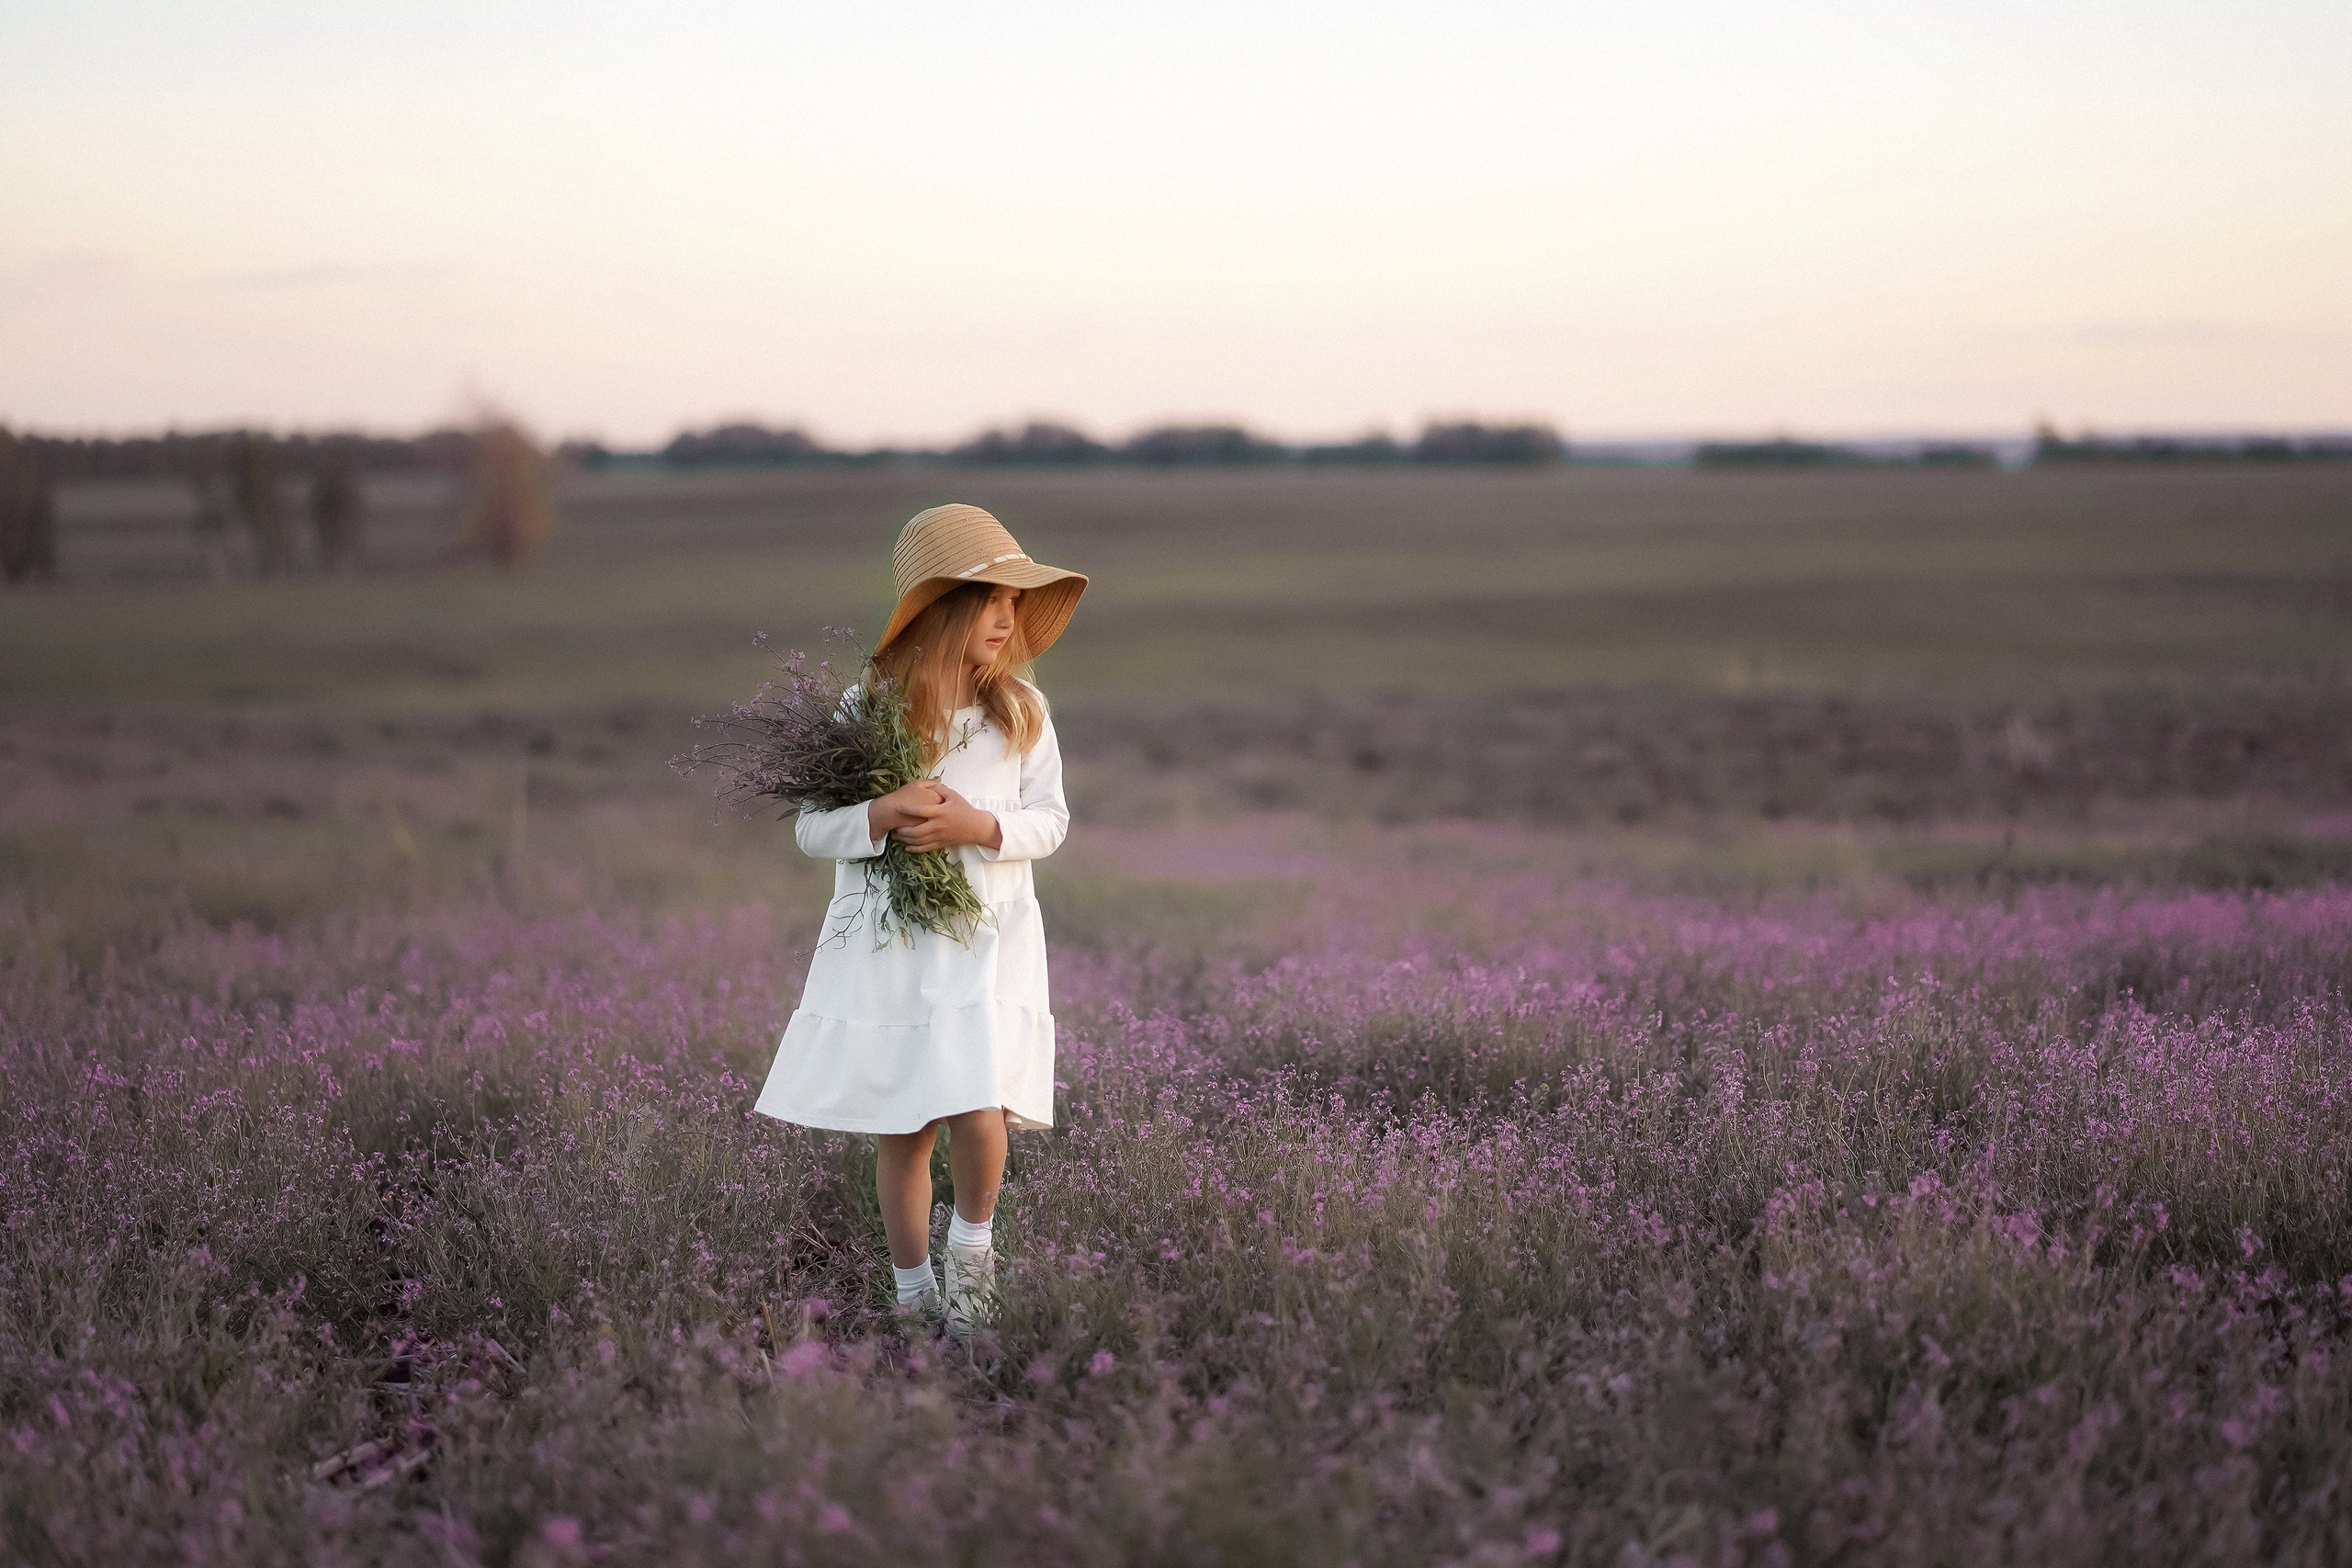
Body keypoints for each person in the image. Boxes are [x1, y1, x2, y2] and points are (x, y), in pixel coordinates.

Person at [752, 504, 1086, 1339]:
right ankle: (912, 1295)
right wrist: (881, 812)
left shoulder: (1022, 713)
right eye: (989, 598)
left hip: (988, 940)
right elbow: (809, 826)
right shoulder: (871, 707)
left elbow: (1052, 822)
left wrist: (981, 827)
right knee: (906, 1123)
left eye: (1017, 599)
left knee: (982, 1102)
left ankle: (974, 1260)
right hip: (896, 944)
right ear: (941, 608)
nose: (1008, 617)